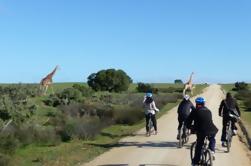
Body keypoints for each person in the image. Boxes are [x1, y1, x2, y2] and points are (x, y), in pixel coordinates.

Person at [186, 97, 218, 165]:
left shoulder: (194, 111)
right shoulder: (208, 110)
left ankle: (195, 162)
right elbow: (208, 121)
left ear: (196, 104)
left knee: (199, 146)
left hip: (201, 131)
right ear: (204, 103)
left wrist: (190, 128)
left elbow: (188, 121)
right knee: (212, 138)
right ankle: (212, 151)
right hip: (212, 129)